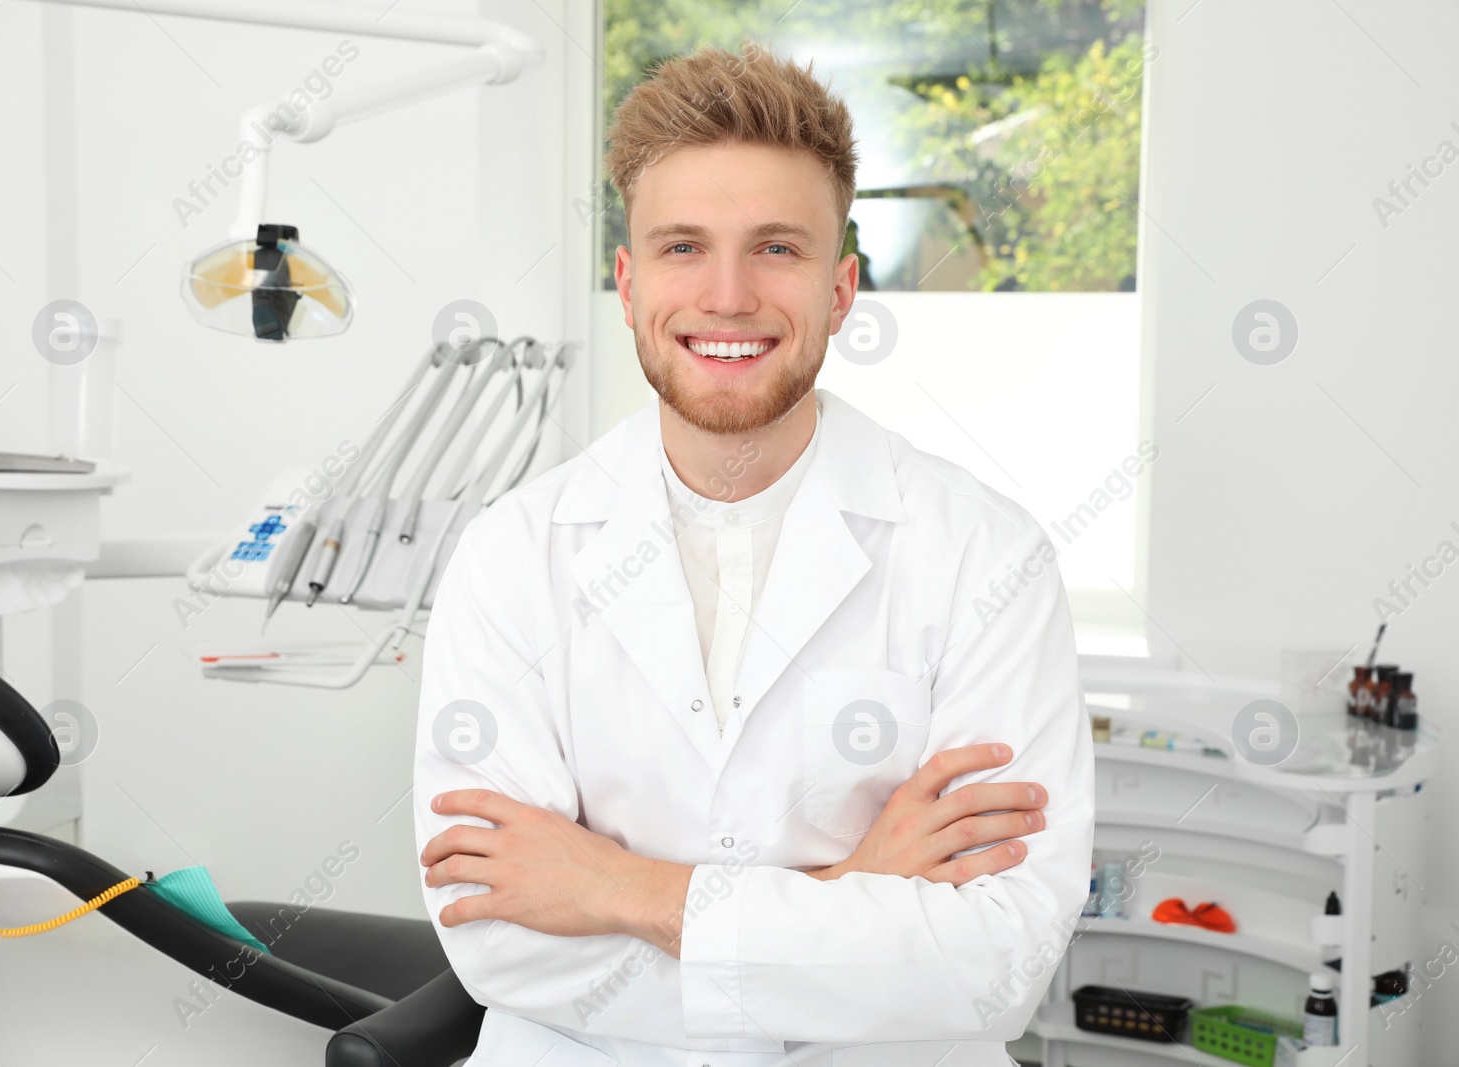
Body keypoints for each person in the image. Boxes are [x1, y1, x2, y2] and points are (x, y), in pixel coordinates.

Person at [414, 41, 1093, 1067]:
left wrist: (616, 887)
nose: (727, 295)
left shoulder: (983, 554)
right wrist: (852, 896)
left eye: (776, 247)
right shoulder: (510, 556)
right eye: (683, 247)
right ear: (629, 282)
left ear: (840, 288)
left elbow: (995, 961)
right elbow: (499, 940)